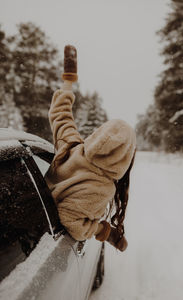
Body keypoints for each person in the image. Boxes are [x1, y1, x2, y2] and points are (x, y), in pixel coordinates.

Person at [45, 45, 136, 252]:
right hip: (38, 230)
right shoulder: (102, 188)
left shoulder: (72, 147)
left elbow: (60, 115)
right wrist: (103, 230)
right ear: (126, 158)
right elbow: (73, 224)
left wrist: (68, 81)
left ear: (97, 135)